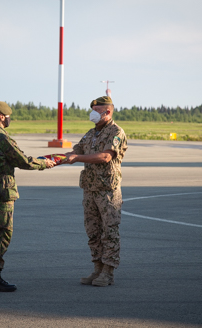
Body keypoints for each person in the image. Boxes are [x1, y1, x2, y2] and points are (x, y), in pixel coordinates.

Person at [0, 101, 55, 292]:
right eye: (9, 115)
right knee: (2, 234)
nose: (10, 119)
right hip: (3, 190)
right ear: (2, 116)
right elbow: (23, 161)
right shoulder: (1, 138)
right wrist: (45, 163)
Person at [65, 96, 128, 287]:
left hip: (107, 191)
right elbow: (76, 149)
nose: (93, 112)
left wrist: (77, 157)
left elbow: (105, 157)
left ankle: (108, 272)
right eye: (92, 109)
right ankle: (97, 268)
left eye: (97, 109)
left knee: (109, 231)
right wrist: (64, 156)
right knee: (93, 231)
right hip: (90, 190)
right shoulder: (91, 133)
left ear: (107, 111)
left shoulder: (116, 132)